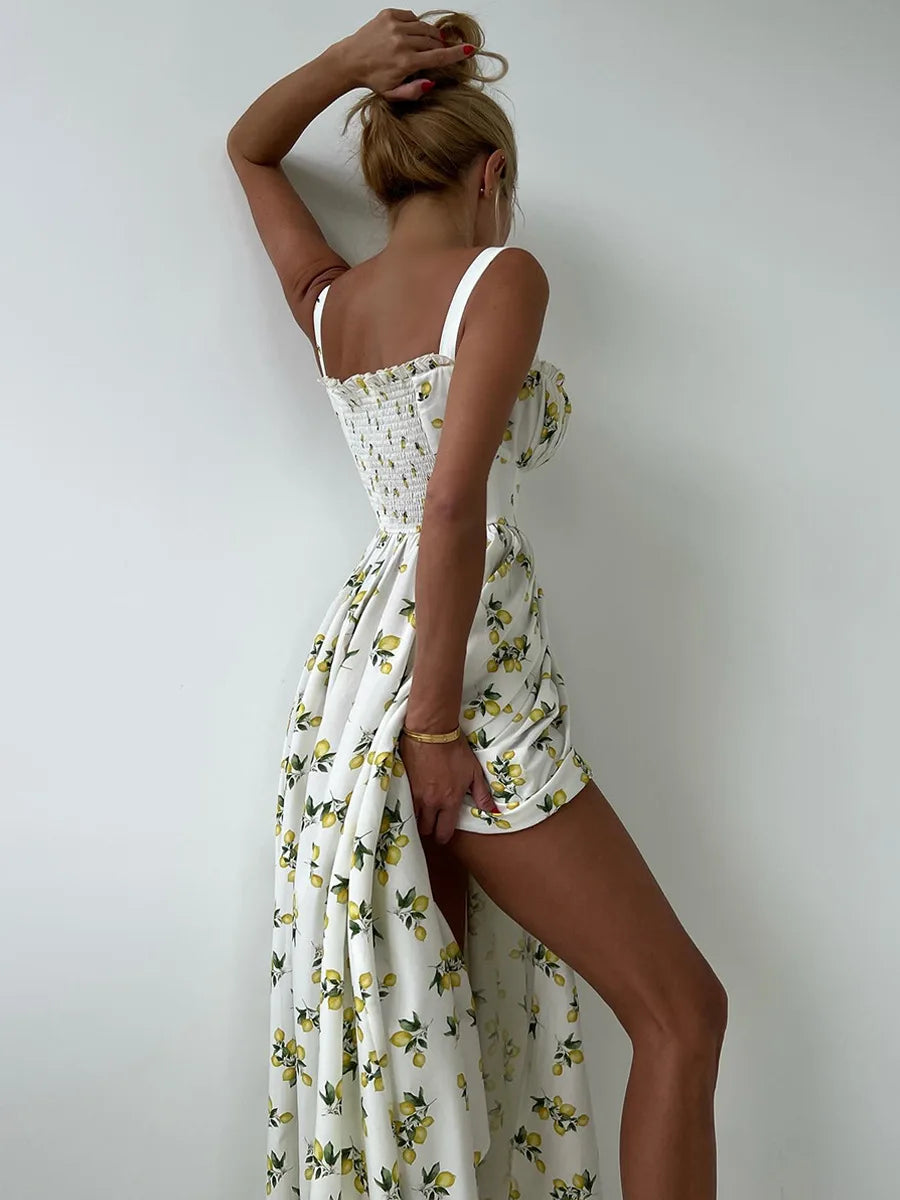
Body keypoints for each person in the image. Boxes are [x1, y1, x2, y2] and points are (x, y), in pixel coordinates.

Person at [227, 9, 728, 1200]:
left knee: (444, 1039)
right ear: (491, 175)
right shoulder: (501, 276)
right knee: (682, 1014)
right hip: (463, 693)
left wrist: (345, 64)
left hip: (357, 682)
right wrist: (440, 723)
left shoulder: (332, 302)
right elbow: (452, 506)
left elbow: (249, 149)